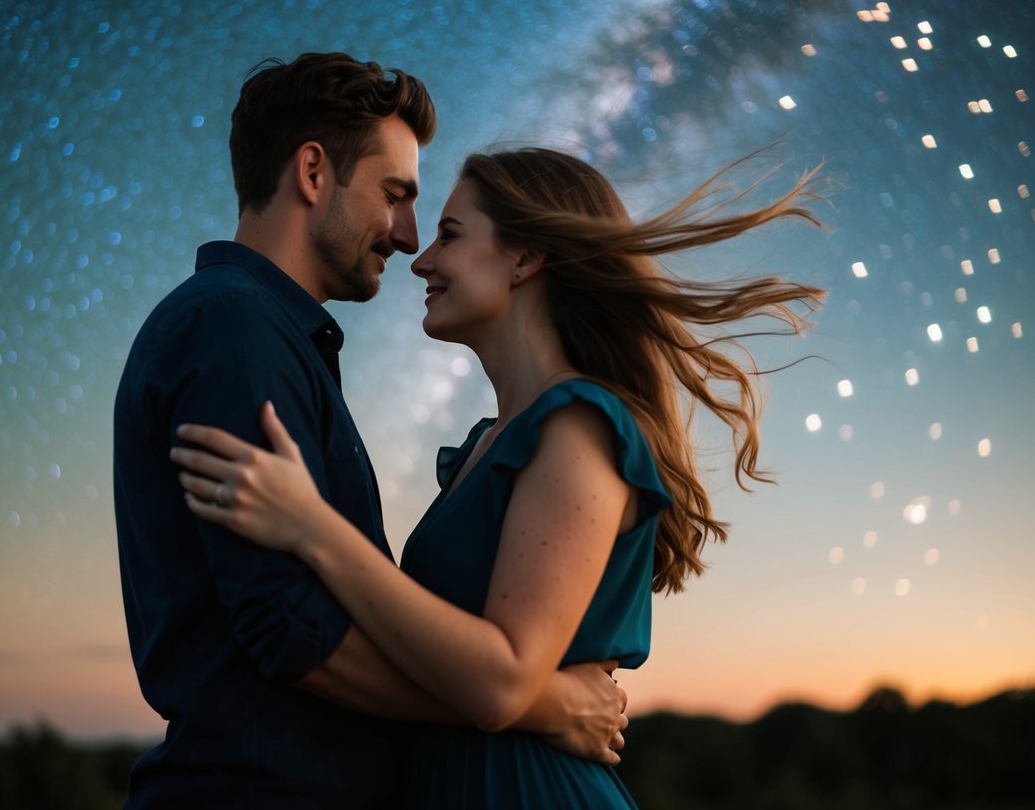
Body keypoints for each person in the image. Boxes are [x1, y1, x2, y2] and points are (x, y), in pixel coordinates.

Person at [171, 146, 828, 808]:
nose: (420, 259)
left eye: (449, 236)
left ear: (524, 257)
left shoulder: (577, 427)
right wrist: (558, 703)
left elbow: (501, 682)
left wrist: (311, 527)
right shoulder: (489, 445)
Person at [114, 55, 630, 809]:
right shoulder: (234, 331)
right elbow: (294, 632)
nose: (408, 235)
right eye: (395, 195)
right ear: (313, 172)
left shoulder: (266, 338)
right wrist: (540, 704)